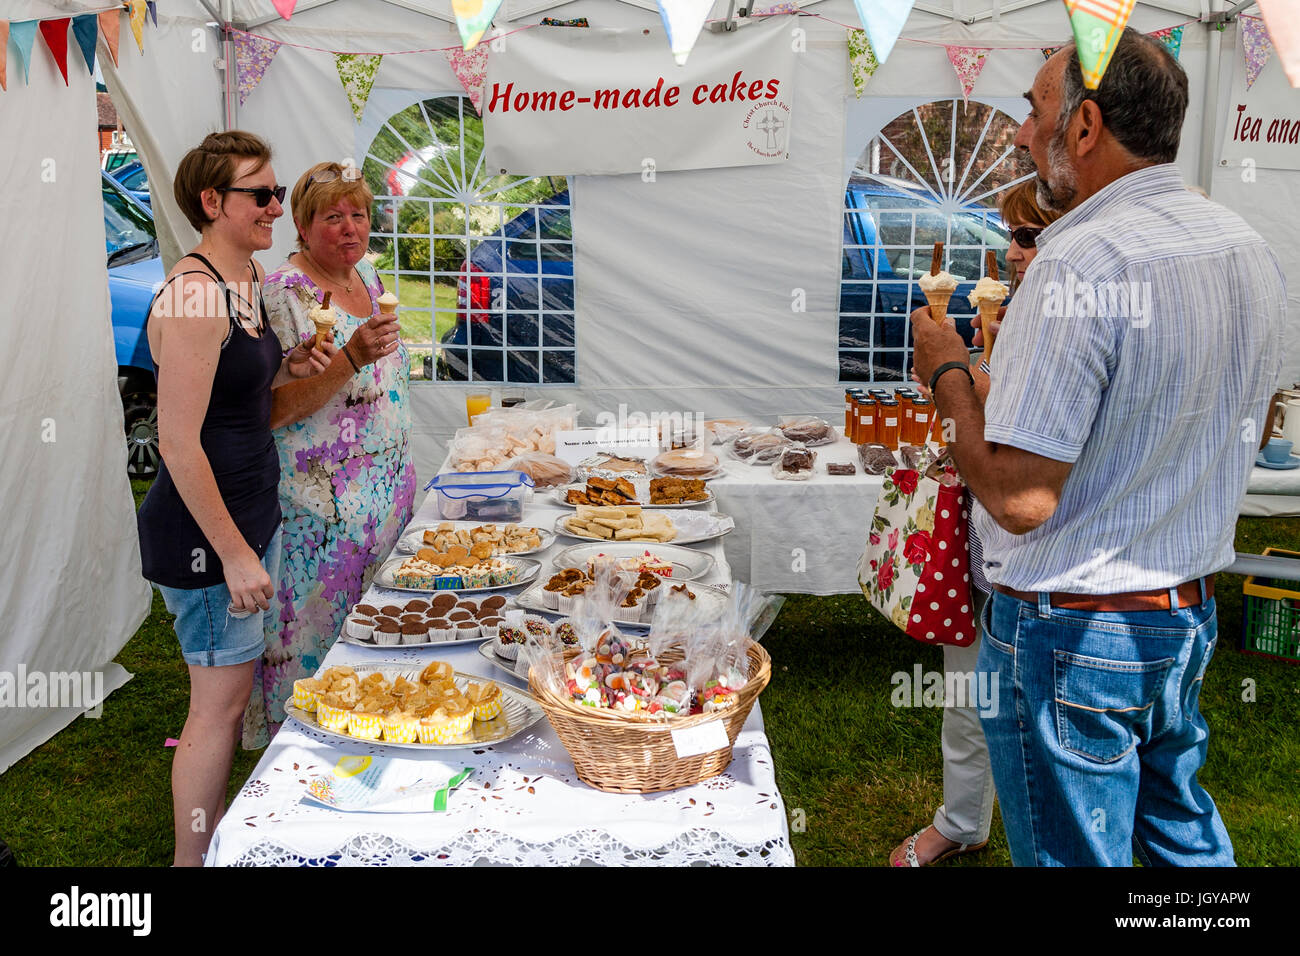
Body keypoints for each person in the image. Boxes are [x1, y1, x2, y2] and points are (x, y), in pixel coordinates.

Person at [910, 29, 1287, 866]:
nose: (1016, 134)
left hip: (1074, 630)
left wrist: (950, 375)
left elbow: (1017, 497)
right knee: (1180, 842)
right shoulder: (1246, 248)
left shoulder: (1079, 259)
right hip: (1183, 612)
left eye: (1032, 110)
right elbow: (1258, 428)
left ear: (1083, 126)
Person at [136, 132, 330, 866]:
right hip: (207, 535)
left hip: (250, 517)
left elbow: (237, 399)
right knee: (214, 713)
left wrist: (289, 366)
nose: (277, 207)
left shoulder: (242, 279)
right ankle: (191, 862)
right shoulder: (193, 293)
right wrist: (235, 553)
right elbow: (179, 443)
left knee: (227, 702)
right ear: (212, 202)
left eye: (277, 192)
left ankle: (216, 843)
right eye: (262, 194)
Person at [890, 180, 1061, 867]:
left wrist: (957, 376)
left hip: (1045, 551)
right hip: (980, 534)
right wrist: (954, 375)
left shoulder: (1069, 325)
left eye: (1026, 236)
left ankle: (1051, 835)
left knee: (1044, 718)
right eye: (1010, 237)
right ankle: (962, 820)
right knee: (964, 692)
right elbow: (975, 426)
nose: (1013, 253)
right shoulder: (1007, 318)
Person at [242, 161, 413, 748]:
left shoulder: (367, 274)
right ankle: (303, 751)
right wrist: (350, 358)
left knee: (381, 632)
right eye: (331, 217)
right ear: (302, 224)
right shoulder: (286, 293)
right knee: (317, 635)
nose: (349, 228)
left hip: (388, 494)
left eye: (358, 214)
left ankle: (378, 731)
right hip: (321, 506)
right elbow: (278, 407)